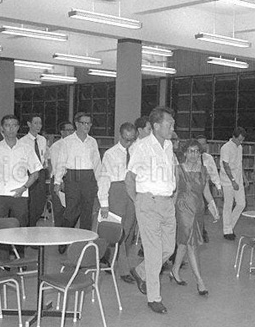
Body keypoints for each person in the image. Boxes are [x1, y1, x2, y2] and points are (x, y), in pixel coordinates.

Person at [125, 106, 177, 314]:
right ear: (156, 126)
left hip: (167, 203)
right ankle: (154, 298)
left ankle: (140, 271)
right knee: (155, 253)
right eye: (169, 123)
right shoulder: (141, 147)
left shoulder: (169, 146)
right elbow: (129, 178)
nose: (173, 127)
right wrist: (138, 201)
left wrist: (172, 196)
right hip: (148, 202)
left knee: (168, 249)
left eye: (173, 124)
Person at [0, 115, 42, 262]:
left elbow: (35, 173)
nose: (11, 128)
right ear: (2, 128)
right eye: (7, 125)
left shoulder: (27, 148)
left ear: (18, 128)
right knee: (1, 228)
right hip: (0, 195)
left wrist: (23, 187)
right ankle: (3, 260)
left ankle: (20, 258)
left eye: (14, 125)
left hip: (21, 195)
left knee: (20, 227)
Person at [170, 139, 218, 296]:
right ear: (185, 153)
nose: (194, 154)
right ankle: (200, 281)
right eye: (191, 151)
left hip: (198, 209)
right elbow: (175, 192)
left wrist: (213, 207)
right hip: (183, 208)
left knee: (184, 242)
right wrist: (170, 211)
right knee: (191, 243)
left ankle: (174, 270)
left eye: (197, 151)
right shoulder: (178, 169)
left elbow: (206, 192)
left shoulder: (203, 170)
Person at [54, 112, 101, 253]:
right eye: (84, 123)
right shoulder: (67, 141)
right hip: (72, 177)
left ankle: (84, 244)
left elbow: (97, 163)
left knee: (87, 213)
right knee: (71, 211)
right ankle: (63, 240)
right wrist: (57, 181)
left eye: (89, 123)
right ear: (77, 124)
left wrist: (100, 182)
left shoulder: (92, 141)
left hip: (88, 178)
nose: (86, 126)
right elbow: (61, 162)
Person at [98, 122, 137, 284]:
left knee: (129, 231)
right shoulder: (110, 154)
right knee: (119, 231)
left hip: (133, 191)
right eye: (126, 139)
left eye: (132, 139)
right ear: (120, 136)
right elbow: (104, 178)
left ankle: (111, 256)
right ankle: (124, 269)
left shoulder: (137, 151)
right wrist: (104, 202)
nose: (129, 143)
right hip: (116, 191)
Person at [219, 127, 248, 241]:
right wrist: (232, 181)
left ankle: (229, 226)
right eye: (239, 140)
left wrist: (244, 178)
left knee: (241, 204)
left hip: (238, 179)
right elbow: (226, 166)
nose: (240, 142)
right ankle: (227, 231)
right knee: (228, 205)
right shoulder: (226, 148)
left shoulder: (240, 147)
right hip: (227, 180)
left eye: (242, 140)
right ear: (233, 137)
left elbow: (240, 164)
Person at [20, 116, 48, 227]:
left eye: (40, 123)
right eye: (35, 123)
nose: (38, 126)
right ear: (29, 124)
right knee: (29, 204)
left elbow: (43, 156)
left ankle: (32, 224)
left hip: (40, 173)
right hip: (28, 174)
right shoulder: (22, 141)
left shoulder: (43, 140)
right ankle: (29, 228)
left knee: (40, 203)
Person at [47, 121, 75, 227]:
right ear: (62, 132)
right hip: (59, 181)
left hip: (73, 181)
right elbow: (55, 166)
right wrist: (61, 181)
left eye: (72, 130)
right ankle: (60, 239)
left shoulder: (75, 145)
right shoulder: (56, 146)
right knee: (60, 211)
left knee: (71, 211)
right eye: (68, 130)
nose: (71, 133)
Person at [196, 135, 221, 243]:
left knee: (201, 211)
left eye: (204, 143)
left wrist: (218, 186)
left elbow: (214, 172)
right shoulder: (190, 157)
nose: (202, 146)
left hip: (203, 186)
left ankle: (201, 231)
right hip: (190, 190)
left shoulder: (208, 158)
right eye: (199, 143)